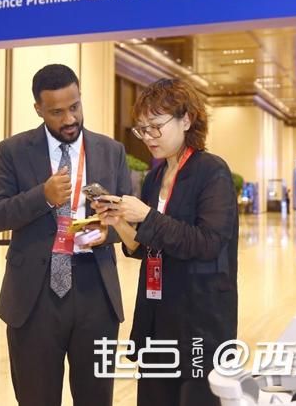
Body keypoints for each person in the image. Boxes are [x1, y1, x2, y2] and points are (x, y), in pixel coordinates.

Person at [0, 64, 132, 406]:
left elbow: (129, 214)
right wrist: (43, 196)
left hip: (96, 293)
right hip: (34, 297)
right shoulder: (13, 150)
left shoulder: (111, 151)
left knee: (96, 398)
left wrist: (107, 231)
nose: (69, 119)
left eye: (75, 106)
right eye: (57, 112)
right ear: (38, 109)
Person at [94, 78, 238, 406]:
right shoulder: (155, 177)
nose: (148, 137)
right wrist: (119, 222)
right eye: (142, 130)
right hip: (157, 313)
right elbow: (145, 248)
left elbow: (208, 243)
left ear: (186, 120)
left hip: (199, 318)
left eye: (156, 127)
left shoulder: (211, 171)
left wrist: (147, 216)